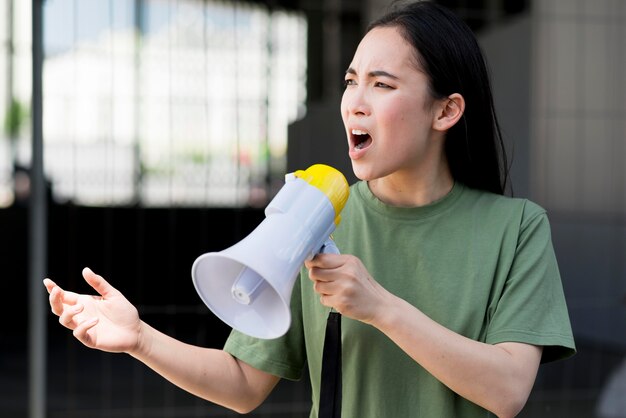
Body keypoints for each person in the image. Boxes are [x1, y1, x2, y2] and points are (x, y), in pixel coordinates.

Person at [44, 1, 576, 417]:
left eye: (382, 84)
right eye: (351, 81)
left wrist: (379, 307)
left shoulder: (516, 229)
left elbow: (508, 392)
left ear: (446, 110)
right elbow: (243, 383)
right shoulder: (313, 215)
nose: (355, 102)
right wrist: (141, 339)